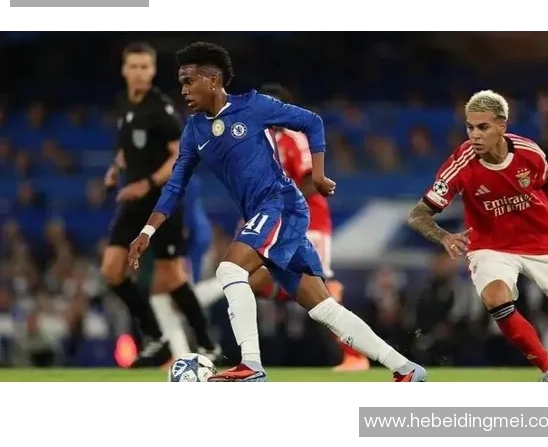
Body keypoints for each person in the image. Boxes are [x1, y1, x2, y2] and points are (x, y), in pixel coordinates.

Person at [127, 41, 427, 382]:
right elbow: (175, 186)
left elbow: (312, 122)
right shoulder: (194, 131)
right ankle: (407, 368)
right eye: (181, 82)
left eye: (189, 81)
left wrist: (317, 174)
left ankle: (251, 365)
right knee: (323, 307)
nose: (183, 90)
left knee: (229, 269)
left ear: (213, 80)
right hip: (267, 214)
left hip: (281, 204)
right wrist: (147, 231)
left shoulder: (254, 106)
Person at [407, 89, 548, 382]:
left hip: (539, 241)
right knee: (496, 299)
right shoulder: (460, 164)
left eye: (483, 127)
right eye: (470, 127)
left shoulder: (529, 152)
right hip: (490, 246)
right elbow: (417, 215)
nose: (474, 135)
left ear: (502, 126)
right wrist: (444, 236)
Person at [194, 83, 369, 371]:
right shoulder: (257, 141)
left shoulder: (294, 138)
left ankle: (354, 354)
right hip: (276, 223)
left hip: (308, 223)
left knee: (310, 290)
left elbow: (311, 181)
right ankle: (244, 353)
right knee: (257, 284)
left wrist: (279, 205)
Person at [102, 42, 219, 367]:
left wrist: (147, 183)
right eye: (134, 66)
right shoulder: (124, 104)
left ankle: (207, 344)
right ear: (124, 70)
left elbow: (179, 155)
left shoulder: (161, 109)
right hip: (133, 202)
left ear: (152, 71)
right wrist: (116, 169)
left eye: (145, 67)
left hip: (161, 203)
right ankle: (156, 337)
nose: (139, 73)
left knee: (171, 278)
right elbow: (128, 148)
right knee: (111, 270)